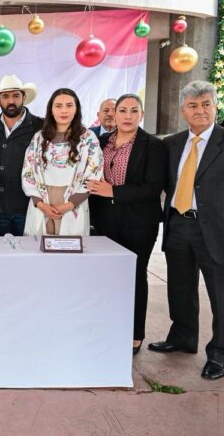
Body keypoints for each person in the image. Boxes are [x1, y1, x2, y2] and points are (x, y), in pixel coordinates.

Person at [148, 81, 224, 380]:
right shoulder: (172, 144)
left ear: (216, 107)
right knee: (180, 287)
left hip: (218, 232)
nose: (199, 110)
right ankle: (183, 337)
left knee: (223, 296)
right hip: (178, 226)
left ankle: (221, 353)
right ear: (183, 111)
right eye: (192, 105)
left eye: (205, 104)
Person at [88, 94, 167, 355]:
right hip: (104, 220)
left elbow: (153, 187)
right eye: (122, 110)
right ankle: (109, 326)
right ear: (113, 114)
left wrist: (115, 192)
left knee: (134, 275)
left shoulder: (153, 145)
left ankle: (135, 333)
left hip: (139, 222)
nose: (127, 115)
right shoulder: (100, 143)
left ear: (141, 115)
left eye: (134, 111)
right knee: (107, 276)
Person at [22, 88, 103, 236]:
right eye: (58, 106)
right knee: (39, 250)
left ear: (76, 109)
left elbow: (93, 173)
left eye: (69, 105)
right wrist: (40, 204)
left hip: (73, 201)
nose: (64, 110)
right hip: (42, 200)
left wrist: (70, 204)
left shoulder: (88, 138)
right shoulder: (39, 138)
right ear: (51, 110)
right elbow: (28, 172)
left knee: (70, 249)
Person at [0, 75, 44, 237]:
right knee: (3, 255)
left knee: (30, 254)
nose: (11, 101)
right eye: (6, 96)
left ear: (23, 97)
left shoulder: (40, 126)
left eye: (16, 95)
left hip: (29, 204)